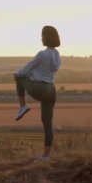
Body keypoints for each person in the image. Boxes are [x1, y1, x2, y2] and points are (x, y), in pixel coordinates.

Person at [14, 25, 61, 161]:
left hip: (40, 88)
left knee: (19, 77)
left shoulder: (42, 54)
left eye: (42, 35)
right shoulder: (57, 55)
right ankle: (46, 156)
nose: (41, 38)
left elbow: (26, 69)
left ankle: (22, 106)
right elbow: (50, 69)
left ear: (46, 37)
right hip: (52, 89)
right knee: (48, 124)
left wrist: (18, 74)